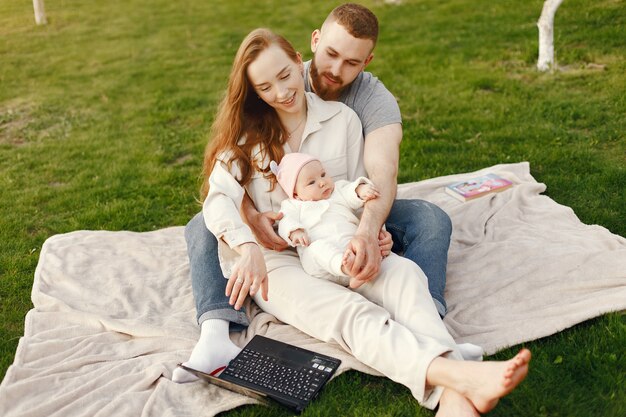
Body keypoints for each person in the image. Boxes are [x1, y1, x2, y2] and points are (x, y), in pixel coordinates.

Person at [173, 27, 531, 416]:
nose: (281, 92)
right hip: (278, 261)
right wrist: (246, 248)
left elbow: (359, 190)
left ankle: (453, 397)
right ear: (254, 92)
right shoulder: (244, 139)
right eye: (265, 87)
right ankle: (455, 378)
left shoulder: (342, 119)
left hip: (339, 239)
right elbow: (218, 200)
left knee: (406, 277)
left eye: (285, 76)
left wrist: (372, 232)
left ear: (298, 62)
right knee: (348, 312)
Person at [180, 4, 452, 380]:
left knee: (422, 238)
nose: (336, 70)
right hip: (280, 252)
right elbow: (221, 191)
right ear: (312, 47)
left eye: (351, 62)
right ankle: (215, 328)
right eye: (331, 55)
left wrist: (370, 228)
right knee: (204, 223)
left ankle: (430, 327)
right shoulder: (252, 128)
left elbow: (377, 176)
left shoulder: (355, 112)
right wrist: (248, 232)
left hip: (335, 229)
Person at [270, 152, 380, 288]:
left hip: (350, 248)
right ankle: (346, 268)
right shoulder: (293, 205)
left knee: (362, 245)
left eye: (323, 175)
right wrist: (295, 231)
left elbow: (350, 191)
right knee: (317, 248)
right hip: (321, 265)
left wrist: (360, 190)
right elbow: (285, 220)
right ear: (295, 193)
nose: (322, 182)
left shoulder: (338, 190)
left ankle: (357, 272)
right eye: (311, 182)